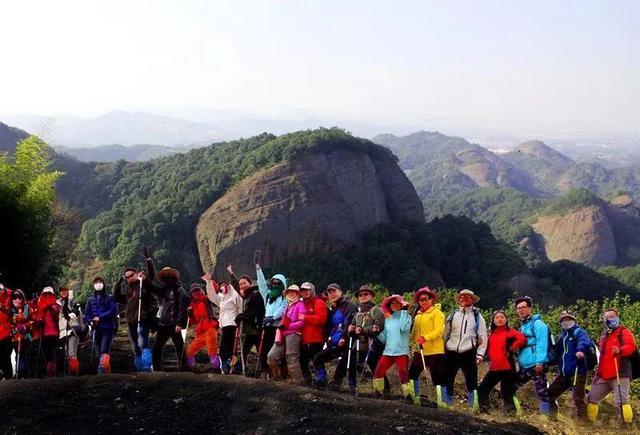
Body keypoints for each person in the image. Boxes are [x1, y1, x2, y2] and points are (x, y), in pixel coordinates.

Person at [586, 308, 637, 424]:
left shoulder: (624, 332)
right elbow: (602, 356)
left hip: (620, 372)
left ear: (617, 317)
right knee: (592, 397)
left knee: (622, 400)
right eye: (607, 317)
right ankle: (588, 422)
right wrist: (597, 374)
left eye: (612, 316)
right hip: (604, 374)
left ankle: (627, 425)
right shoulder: (604, 334)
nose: (609, 319)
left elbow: (631, 347)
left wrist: (620, 350)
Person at [113, 248, 157, 372]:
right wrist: (118, 283)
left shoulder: (144, 284)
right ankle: (139, 365)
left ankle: (147, 365)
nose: (129, 278)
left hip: (143, 318)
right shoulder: (128, 291)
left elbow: (152, 275)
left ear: (136, 274)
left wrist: (148, 259)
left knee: (143, 339)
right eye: (127, 277)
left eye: (131, 275)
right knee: (135, 344)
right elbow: (117, 297)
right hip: (131, 319)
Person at [443, 289, 487, 411]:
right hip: (451, 350)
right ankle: (447, 404)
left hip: (469, 351)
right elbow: (445, 333)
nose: (464, 299)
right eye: (462, 297)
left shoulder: (478, 317)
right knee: (448, 378)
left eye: (468, 297)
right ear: (459, 299)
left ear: (472, 300)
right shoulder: (452, 315)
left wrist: (480, 354)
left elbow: (483, 337)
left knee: (471, 379)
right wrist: (442, 349)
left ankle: (472, 406)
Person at [547, 311, 594, 421]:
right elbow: (557, 354)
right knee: (550, 394)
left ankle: (582, 423)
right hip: (564, 373)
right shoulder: (562, 337)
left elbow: (584, 342)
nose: (566, 322)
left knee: (578, 399)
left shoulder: (579, 332)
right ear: (560, 322)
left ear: (574, 320)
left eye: (569, 319)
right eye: (563, 320)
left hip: (578, 371)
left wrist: (580, 350)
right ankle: (553, 418)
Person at [477, 310, 527, 414]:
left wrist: (512, 348)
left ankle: (511, 413)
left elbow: (522, 339)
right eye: (497, 318)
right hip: (495, 367)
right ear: (493, 321)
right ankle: (484, 409)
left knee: (507, 392)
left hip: (508, 367)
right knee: (483, 389)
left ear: (506, 319)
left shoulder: (510, 332)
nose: (500, 319)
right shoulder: (491, 335)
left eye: (502, 317)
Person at [373, 294, 418, 405]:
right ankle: (378, 392)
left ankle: (409, 396)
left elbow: (404, 328)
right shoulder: (388, 320)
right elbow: (384, 338)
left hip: (401, 352)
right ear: (389, 306)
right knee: (378, 371)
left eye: (398, 303)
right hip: (388, 351)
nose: (395, 305)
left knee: (403, 374)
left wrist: (404, 311)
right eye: (392, 303)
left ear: (402, 304)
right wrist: (377, 332)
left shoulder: (407, 316)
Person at [312, 283, 357, 390]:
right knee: (318, 358)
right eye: (330, 292)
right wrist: (326, 340)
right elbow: (328, 327)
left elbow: (349, 322)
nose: (332, 294)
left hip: (348, 342)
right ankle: (321, 381)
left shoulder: (349, 306)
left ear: (340, 292)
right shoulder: (332, 309)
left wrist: (344, 338)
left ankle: (345, 386)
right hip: (334, 342)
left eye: (334, 291)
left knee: (345, 363)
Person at [343, 285, 385, 396]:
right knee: (352, 364)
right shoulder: (357, 313)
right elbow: (351, 329)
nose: (362, 296)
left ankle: (382, 390)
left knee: (376, 367)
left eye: (366, 294)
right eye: (360, 295)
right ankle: (352, 387)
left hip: (373, 345)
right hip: (357, 345)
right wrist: (350, 330)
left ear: (371, 296)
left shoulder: (377, 311)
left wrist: (361, 330)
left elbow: (377, 327)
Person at [514, 296, 553, 417]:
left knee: (541, 392)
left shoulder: (538, 324)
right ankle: (516, 412)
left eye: (524, 307)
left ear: (530, 308)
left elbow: (542, 343)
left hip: (536, 364)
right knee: (511, 387)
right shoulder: (523, 326)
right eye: (518, 308)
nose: (521, 310)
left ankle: (546, 418)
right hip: (525, 364)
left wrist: (540, 362)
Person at [408, 287, 446, 407]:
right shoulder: (418, 315)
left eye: (425, 299)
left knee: (438, 378)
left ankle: (442, 402)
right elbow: (414, 332)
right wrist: (408, 341)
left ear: (431, 300)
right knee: (412, 373)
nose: (423, 302)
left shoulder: (438, 313)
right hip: (420, 351)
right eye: (420, 300)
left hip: (435, 351)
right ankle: (415, 397)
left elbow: (439, 330)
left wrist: (426, 337)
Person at [255, 252, 288, 379]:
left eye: (278, 283)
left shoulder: (284, 297)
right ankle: (267, 373)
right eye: (273, 282)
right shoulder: (268, 295)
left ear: (282, 284)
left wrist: (273, 317)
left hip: (277, 327)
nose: (275, 284)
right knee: (264, 351)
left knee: (277, 352)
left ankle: (282, 374)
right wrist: (258, 268)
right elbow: (262, 285)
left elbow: (283, 309)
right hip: (267, 327)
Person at [150, 266, 189, 371]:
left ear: (173, 277)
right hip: (163, 324)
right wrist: (144, 279)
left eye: (168, 275)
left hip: (174, 324)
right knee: (157, 347)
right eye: (165, 276)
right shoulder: (164, 290)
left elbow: (182, 308)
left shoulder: (180, 290)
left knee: (179, 347)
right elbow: (152, 287)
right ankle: (157, 368)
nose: (167, 277)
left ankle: (184, 369)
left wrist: (180, 324)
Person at [203, 275, 243, 374]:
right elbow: (212, 296)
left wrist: (240, 322)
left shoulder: (235, 296)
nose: (222, 287)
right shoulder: (222, 298)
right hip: (224, 326)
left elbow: (240, 308)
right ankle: (225, 366)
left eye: (224, 285)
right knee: (225, 348)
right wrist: (208, 282)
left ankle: (232, 366)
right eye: (220, 286)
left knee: (229, 348)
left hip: (233, 325)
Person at [267, 284, 306, 384]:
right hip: (283, 334)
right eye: (289, 292)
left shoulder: (300, 305)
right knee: (271, 356)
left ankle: (298, 381)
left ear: (298, 294)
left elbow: (302, 322)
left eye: (294, 292)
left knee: (291, 356)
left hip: (294, 333)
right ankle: (277, 377)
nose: (291, 294)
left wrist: (287, 326)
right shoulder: (288, 306)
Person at [230, 269, 265, 375]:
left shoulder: (255, 294)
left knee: (261, 352)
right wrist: (231, 273)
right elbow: (235, 285)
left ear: (250, 283)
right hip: (250, 330)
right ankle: (241, 370)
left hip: (257, 329)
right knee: (244, 351)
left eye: (244, 283)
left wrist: (242, 316)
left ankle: (266, 372)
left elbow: (253, 311)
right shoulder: (246, 296)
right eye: (241, 284)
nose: (242, 285)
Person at [84, 277, 118, 374]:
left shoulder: (110, 297)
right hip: (96, 329)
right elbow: (87, 314)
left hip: (108, 327)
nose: (98, 284)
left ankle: (102, 371)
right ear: (93, 285)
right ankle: (107, 372)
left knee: (104, 348)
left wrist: (100, 317)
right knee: (98, 350)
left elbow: (113, 310)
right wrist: (90, 321)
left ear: (103, 284)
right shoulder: (90, 300)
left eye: (100, 282)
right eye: (96, 282)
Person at [185, 283, 219, 371]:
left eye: (197, 290)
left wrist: (209, 281)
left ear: (201, 290)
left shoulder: (206, 299)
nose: (196, 293)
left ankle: (216, 368)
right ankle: (190, 367)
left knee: (212, 348)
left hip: (210, 327)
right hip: (200, 331)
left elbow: (214, 290)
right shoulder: (192, 306)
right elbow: (193, 322)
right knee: (190, 350)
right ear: (191, 294)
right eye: (193, 291)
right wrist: (190, 315)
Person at [298, 282, 327, 385]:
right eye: (302, 290)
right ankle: (308, 382)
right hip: (303, 340)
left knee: (317, 360)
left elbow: (322, 319)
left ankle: (322, 382)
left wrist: (305, 317)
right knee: (303, 362)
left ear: (312, 290)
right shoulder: (301, 304)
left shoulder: (318, 302)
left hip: (316, 338)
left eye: (307, 290)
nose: (305, 292)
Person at [58, 287, 85, 376]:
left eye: (65, 291)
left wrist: (70, 315)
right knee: (67, 351)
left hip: (73, 329)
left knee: (71, 352)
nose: (64, 292)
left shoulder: (72, 301)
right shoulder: (57, 303)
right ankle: (71, 371)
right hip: (63, 330)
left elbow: (77, 311)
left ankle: (74, 372)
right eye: (62, 291)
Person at [35, 287, 60, 377]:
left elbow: (57, 315)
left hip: (53, 333)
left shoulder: (55, 304)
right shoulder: (40, 304)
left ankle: (52, 372)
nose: (48, 295)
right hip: (44, 332)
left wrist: (50, 308)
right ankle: (50, 371)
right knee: (46, 352)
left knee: (51, 352)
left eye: (49, 294)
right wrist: (39, 321)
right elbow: (37, 317)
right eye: (46, 294)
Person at [10, 289, 31, 378]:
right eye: (15, 297)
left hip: (25, 335)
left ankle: (22, 373)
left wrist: (18, 315)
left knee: (22, 353)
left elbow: (26, 316)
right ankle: (20, 372)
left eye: (19, 297)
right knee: (17, 353)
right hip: (14, 335)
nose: (17, 300)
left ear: (22, 298)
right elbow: (12, 320)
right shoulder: (11, 309)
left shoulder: (26, 307)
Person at [0, 284, 13, 379]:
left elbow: (9, 312)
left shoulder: (9, 294)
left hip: (6, 331)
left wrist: (2, 308)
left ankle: (8, 375)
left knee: (5, 354)